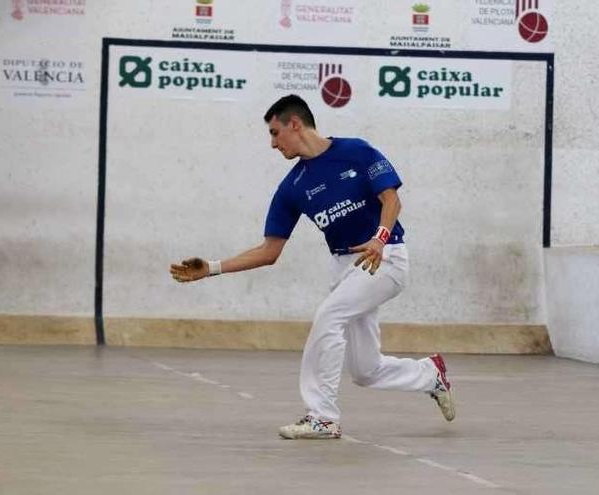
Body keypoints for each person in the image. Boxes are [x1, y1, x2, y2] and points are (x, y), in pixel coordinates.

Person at [169, 94, 455, 439]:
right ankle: (429, 374)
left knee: (328, 317)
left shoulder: (358, 151)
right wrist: (211, 268)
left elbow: (391, 199)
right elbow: (269, 251)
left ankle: (322, 417)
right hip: (345, 268)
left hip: (386, 258)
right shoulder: (292, 188)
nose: (273, 144)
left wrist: (379, 238)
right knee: (365, 370)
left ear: (294, 123)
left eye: (275, 133)